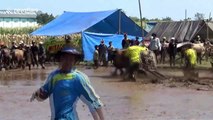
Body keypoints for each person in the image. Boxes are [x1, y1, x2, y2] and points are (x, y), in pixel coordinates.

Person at [30, 46, 105, 120]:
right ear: (60, 59)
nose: (67, 62)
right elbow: (44, 91)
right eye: (65, 58)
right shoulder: (54, 76)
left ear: (75, 61)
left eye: (71, 59)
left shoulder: (78, 78)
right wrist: (36, 94)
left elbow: (94, 100)